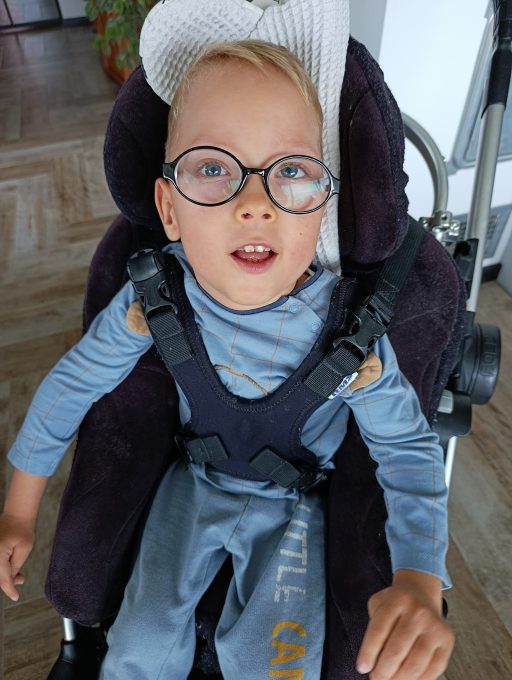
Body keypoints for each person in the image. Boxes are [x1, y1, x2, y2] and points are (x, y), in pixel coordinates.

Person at [0, 40, 455, 679]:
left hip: (297, 504)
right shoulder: (154, 301)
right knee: (138, 647)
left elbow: (407, 449)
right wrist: (19, 509)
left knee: (272, 663)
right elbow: (72, 385)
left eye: (290, 171)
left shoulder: (351, 336)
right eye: (213, 168)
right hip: (192, 483)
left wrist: (418, 577)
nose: (255, 202)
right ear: (169, 209)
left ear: (321, 207)